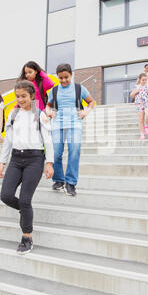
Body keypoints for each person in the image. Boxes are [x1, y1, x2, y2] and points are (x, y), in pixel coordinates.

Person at [0, 80, 54, 255]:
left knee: (24, 199)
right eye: (17, 96)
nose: (20, 99)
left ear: (31, 96)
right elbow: (8, 140)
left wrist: (49, 163)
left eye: (24, 96)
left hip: (34, 159)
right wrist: (2, 161)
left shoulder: (40, 114)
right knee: (6, 196)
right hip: (16, 159)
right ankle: (26, 210)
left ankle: (26, 237)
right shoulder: (13, 114)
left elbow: (48, 140)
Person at [46, 64, 95, 197]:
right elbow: (48, 105)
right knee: (56, 153)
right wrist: (49, 112)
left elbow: (91, 102)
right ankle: (59, 180)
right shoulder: (54, 90)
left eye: (66, 77)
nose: (63, 80)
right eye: (60, 78)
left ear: (71, 75)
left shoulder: (79, 88)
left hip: (75, 124)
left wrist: (86, 112)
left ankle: (71, 183)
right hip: (57, 124)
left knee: (74, 152)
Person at [131, 73, 148, 140]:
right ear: (140, 79)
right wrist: (136, 91)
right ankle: (142, 134)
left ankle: (146, 126)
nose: (144, 81)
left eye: (145, 80)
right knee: (141, 120)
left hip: (147, 103)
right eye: (143, 80)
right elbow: (132, 95)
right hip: (139, 104)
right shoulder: (136, 86)